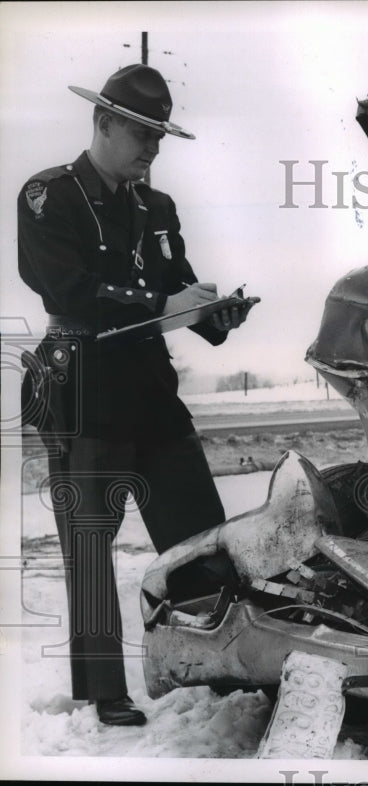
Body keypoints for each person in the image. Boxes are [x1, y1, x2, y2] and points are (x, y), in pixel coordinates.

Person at [18, 64, 252, 726]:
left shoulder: (158, 207)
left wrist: (216, 313)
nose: (152, 149)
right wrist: (165, 304)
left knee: (202, 538)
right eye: (142, 134)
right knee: (90, 545)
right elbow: (69, 291)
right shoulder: (48, 197)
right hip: (85, 387)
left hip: (151, 389)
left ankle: (221, 665)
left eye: (160, 137)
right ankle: (103, 693)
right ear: (103, 123)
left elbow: (181, 287)